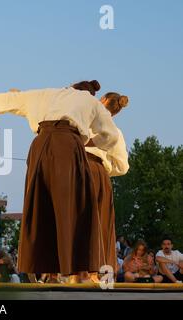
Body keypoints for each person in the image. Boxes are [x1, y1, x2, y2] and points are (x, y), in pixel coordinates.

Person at [0, 80, 119, 278]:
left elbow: (20, 99)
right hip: (68, 145)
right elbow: (112, 135)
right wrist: (92, 141)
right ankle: (76, 269)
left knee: (42, 204)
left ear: (72, 87)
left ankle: (48, 270)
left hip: (41, 145)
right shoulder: (91, 102)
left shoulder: (52, 93)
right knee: (73, 206)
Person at [80, 92, 130, 282]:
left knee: (72, 221)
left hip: (76, 169)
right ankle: (99, 275)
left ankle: (73, 273)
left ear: (102, 102)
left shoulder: (82, 121)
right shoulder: (115, 131)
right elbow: (123, 166)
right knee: (101, 223)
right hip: (97, 171)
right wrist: (104, 168)